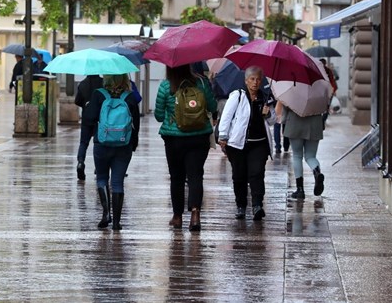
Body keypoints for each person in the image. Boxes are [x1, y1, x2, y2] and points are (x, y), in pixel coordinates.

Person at [154, 64, 217, 232]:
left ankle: (177, 216)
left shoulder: (166, 86)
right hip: (199, 137)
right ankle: (195, 215)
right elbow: (212, 107)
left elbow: (159, 116)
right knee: (196, 175)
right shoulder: (201, 83)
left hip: (174, 139)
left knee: (177, 178)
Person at [217, 66, 276, 221]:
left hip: (259, 144)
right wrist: (223, 136)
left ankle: (257, 205)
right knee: (239, 176)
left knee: (257, 174)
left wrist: (268, 113)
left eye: (258, 79)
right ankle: (241, 206)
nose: (255, 82)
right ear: (246, 80)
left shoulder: (265, 97)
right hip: (238, 145)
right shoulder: (237, 96)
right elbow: (226, 116)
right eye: (252, 79)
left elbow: (273, 121)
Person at [84, 74, 140, 230]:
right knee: (117, 182)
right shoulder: (130, 97)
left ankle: (106, 214)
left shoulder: (98, 94)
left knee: (102, 178)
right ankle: (116, 222)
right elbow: (136, 123)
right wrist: (133, 144)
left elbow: (88, 119)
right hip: (123, 144)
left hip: (101, 144)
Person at [278, 100, 325, 200]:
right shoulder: (319, 86)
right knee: (311, 156)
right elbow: (324, 106)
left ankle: (300, 190)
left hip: (295, 122)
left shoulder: (292, 87)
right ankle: (317, 172)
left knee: (297, 156)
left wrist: (284, 120)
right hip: (314, 123)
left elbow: (286, 106)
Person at [74, 74, 104, 181]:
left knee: (83, 142)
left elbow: (77, 101)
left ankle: (80, 162)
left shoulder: (82, 84)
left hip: (86, 117)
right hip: (99, 118)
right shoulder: (103, 83)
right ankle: (98, 167)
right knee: (98, 143)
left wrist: (85, 103)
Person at [320, 59, 338, 128]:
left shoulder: (317, 70)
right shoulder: (328, 70)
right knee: (326, 108)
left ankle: (322, 120)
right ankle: (323, 120)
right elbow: (332, 82)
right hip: (328, 93)